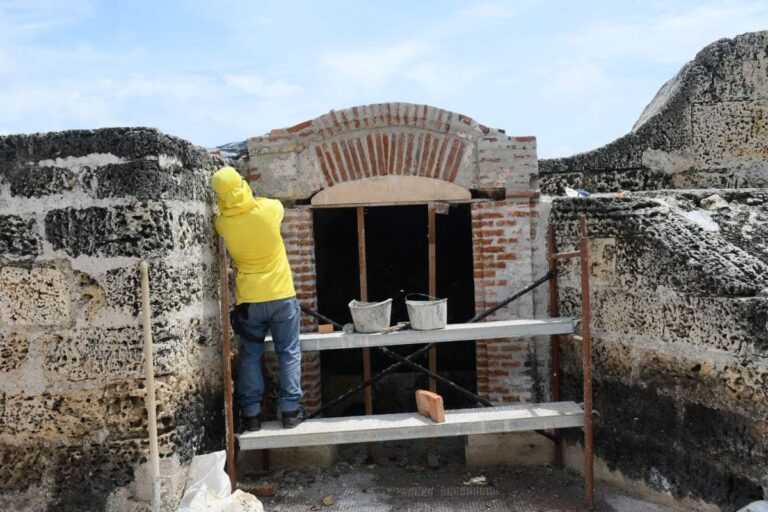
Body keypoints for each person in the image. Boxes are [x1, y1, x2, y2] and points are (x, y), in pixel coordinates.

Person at [212, 166, 306, 432]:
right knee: (288, 352)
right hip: (281, 296)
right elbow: (274, 203)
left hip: (250, 302)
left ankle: (251, 416)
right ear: (241, 184)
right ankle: (290, 412)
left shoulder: (222, 223)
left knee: (251, 355)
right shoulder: (268, 209)